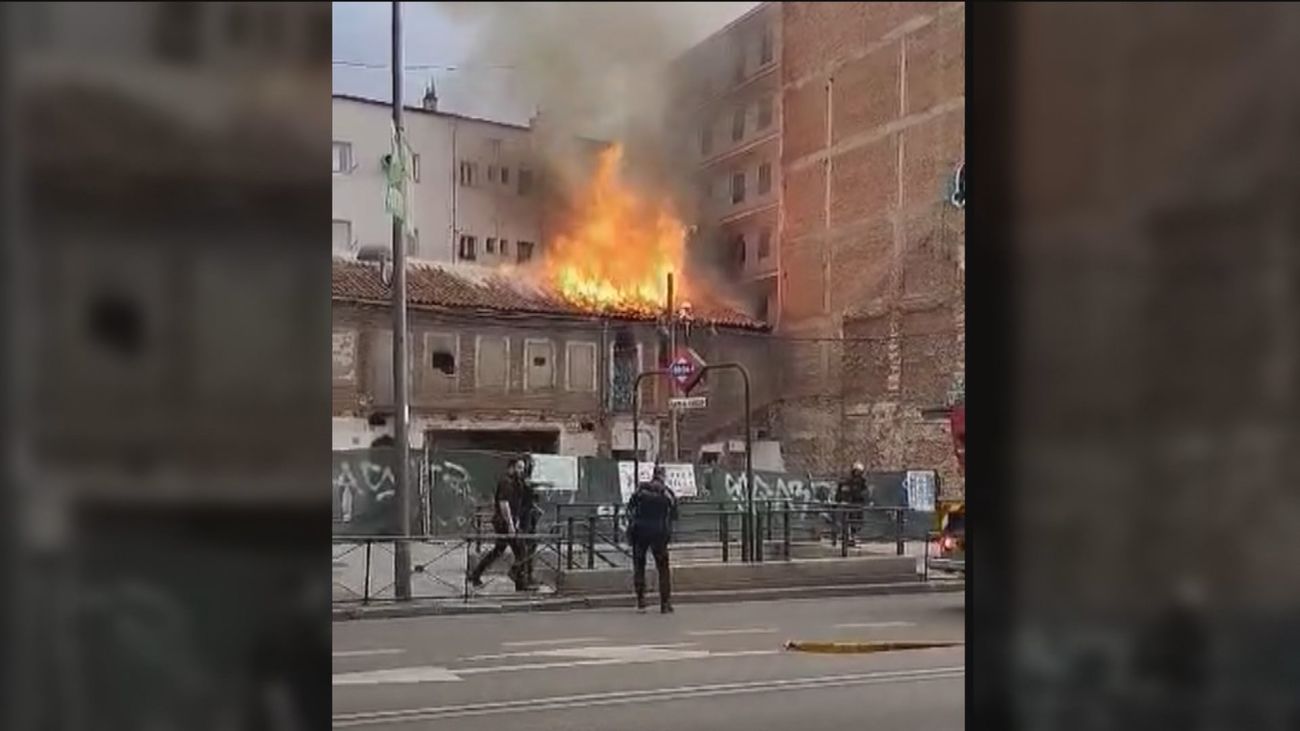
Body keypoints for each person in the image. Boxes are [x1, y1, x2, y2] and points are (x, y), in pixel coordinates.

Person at [467, 459, 529, 591]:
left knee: (499, 550)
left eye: (523, 468)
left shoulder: (517, 482)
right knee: (521, 550)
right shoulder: (506, 482)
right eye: (519, 467)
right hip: (504, 522)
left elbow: (516, 504)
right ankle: (518, 579)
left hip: (508, 521)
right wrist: (510, 524)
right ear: (511, 467)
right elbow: (504, 504)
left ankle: (476, 574)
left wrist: (516, 520)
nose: (521, 471)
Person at [626, 464, 679, 613]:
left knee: (639, 566)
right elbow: (675, 515)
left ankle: (641, 600)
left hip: (640, 532)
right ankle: (665, 603)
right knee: (663, 568)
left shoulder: (640, 490)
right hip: (659, 533)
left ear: (653, 475)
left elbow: (630, 509)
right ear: (663, 476)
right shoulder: (667, 493)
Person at [835, 462, 869, 546]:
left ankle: (852, 536)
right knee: (847, 521)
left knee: (856, 521)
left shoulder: (862, 482)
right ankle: (848, 537)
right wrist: (842, 499)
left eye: (859, 471)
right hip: (850, 504)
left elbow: (864, 492)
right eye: (856, 471)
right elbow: (842, 493)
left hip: (857, 505)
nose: (858, 473)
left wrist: (864, 499)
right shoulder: (848, 481)